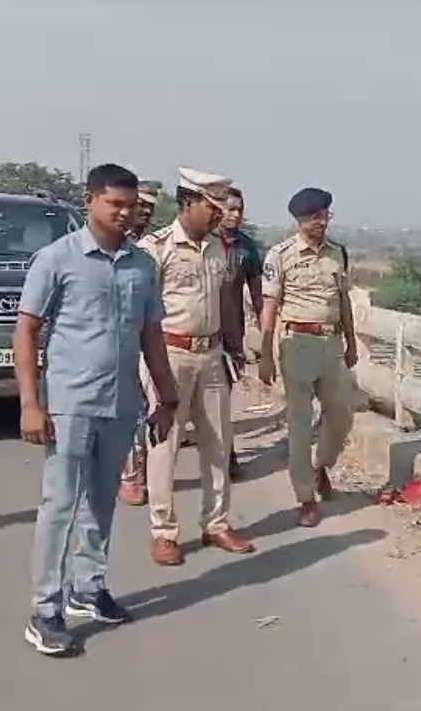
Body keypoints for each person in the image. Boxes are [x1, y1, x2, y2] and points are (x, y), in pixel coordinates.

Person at [14, 163, 180, 656]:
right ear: (90, 201)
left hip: (121, 402)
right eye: (116, 204)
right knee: (60, 504)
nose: (126, 214)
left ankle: (87, 588)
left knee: (102, 502)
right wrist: (30, 402)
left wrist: (165, 398)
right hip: (69, 404)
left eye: (132, 206)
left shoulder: (140, 265)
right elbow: (26, 330)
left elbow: (151, 334)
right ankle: (45, 610)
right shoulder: (56, 259)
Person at [139, 166, 254, 565]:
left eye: (222, 205)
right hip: (169, 353)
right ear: (188, 203)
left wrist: (234, 348)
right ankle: (164, 531)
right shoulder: (156, 248)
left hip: (211, 354)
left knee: (218, 443)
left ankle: (217, 522)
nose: (220, 213)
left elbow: (224, 300)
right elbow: (142, 312)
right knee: (164, 446)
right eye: (212, 205)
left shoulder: (220, 248)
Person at [259, 187, 357, 528]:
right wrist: (265, 354)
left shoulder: (338, 254)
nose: (321, 222)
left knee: (342, 414)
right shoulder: (280, 255)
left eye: (325, 215)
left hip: (331, 344)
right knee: (300, 426)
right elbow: (269, 306)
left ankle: (320, 467)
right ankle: (305, 498)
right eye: (314, 217)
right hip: (296, 343)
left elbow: (343, 301)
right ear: (299, 220)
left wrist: (352, 342)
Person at [119, 179, 164, 506]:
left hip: (146, 336)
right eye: (141, 205)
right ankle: (128, 475)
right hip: (114, 339)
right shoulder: (111, 243)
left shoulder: (149, 248)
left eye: (150, 208)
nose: (144, 213)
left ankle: (138, 475)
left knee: (146, 408)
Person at [218, 187, 263, 479]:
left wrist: (266, 332)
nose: (235, 214)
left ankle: (227, 455)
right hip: (190, 333)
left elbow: (258, 294)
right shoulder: (201, 242)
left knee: (222, 400)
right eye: (229, 208)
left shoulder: (246, 248)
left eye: (239, 209)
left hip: (229, 336)